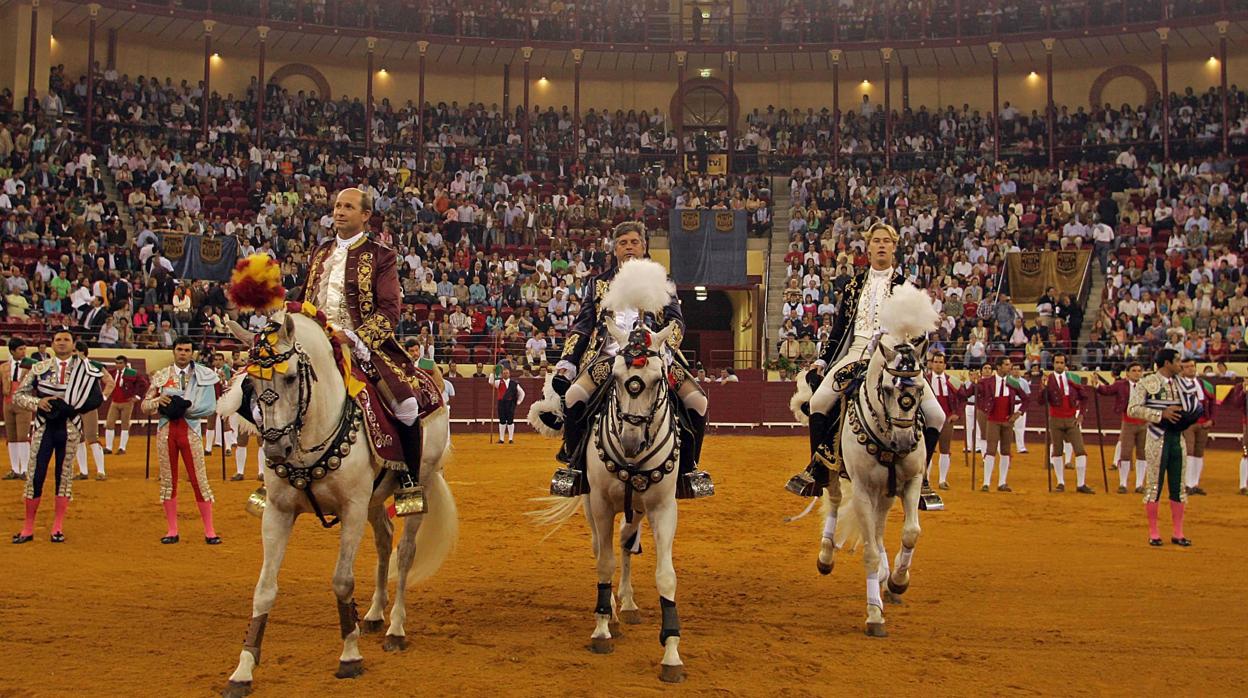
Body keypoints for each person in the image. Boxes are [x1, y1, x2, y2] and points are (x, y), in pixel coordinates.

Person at [547, 221, 712, 499]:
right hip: (609, 359)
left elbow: (676, 323)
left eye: (634, 242)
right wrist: (568, 360)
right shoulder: (597, 284)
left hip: (656, 359)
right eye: (623, 243)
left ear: (644, 246)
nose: (629, 248)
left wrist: (665, 350)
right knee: (574, 396)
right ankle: (574, 469)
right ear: (614, 249)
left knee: (699, 402)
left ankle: (688, 471)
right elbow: (583, 325)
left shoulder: (663, 282)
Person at [290, 187, 428, 509]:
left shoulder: (382, 256)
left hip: (363, 346)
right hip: (314, 344)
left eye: (348, 207)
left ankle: (409, 481)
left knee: (406, 406)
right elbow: (309, 299)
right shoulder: (320, 252)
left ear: (365, 215)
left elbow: (390, 310)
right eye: (337, 205)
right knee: (267, 390)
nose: (339, 211)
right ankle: (274, 475)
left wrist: (354, 338)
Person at [788, 223, 945, 497]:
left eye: (886, 241)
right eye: (876, 241)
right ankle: (818, 469)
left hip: (893, 356)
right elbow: (839, 329)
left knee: (937, 415)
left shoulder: (906, 288)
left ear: (894, 247)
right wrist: (823, 362)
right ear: (868, 247)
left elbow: (919, 332)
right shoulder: (853, 285)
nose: (881, 245)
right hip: (856, 353)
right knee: (817, 402)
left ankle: (923, 479)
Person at [11, 329, 105, 544]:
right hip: (44, 427)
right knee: (35, 475)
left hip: (70, 427)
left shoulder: (85, 369)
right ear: (52, 344)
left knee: (63, 478)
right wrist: (38, 403)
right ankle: (27, 527)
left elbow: (96, 398)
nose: (62, 343)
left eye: (66, 340)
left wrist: (74, 409)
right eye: (58, 340)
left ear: (73, 344)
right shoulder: (39, 368)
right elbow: (19, 395)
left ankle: (57, 527)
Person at [141, 336, 222, 545]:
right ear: (173, 351)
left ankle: (210, 531)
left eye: (187, 350)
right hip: (167, 431)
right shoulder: (161, 376)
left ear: (192, 352)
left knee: (199, 480)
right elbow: (145, 406)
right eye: (180, 349)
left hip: (191, 430)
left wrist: (185, 407)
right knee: (168, 481)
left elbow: (211, 407)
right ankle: (172, 530)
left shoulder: (203, 375)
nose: (183, 353)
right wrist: (160, 401)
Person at [1128, 349, 1200, 547]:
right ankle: (1154, 533)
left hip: (1178, 439)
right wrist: (1161, 413)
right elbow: (1132, 409)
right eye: (1177, 361)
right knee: (1154, 487)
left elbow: (1194, 405)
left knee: (1178, 486)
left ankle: (1178, 533)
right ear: (1167, 363)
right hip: (1156, 438)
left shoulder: (1183, 383)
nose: (1181, 365)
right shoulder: (1147, 382)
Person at [1041, 353, 1094, 493]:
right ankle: (1060, 482)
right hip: (1055, 419)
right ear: (1053, 364)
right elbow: (1041, 401)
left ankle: (1081, 484)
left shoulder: (1072, 379)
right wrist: (1044, 388)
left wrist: (1081, 414)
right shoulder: (1048, 379)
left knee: (1080, 451)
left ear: (1065, 364)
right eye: (1057, 362)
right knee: (1057, 451)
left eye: (1062, 362)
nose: (1059, 365)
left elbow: (1085, 397)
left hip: (1071, 419)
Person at [1094, 363, 1147, 494]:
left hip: (1145, 423)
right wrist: (1096, 386)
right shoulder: (1121, 385)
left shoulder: (1147, 386)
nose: (1137, 373)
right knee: (1125, 453)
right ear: (1127, 373)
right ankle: (1123, 483)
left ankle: (1139, 484)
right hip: (1128, 422)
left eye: (1139, 371)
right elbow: (1107, 390)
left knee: (1142, 454)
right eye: (1134, 371)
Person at [975, 356, 1025, 492]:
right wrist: (973, 383)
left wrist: (1018, 413)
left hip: (1007, 421)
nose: (1009, 367)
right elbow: (972, 392)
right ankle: (986, 483)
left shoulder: (1012, 382)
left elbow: (1026, 399)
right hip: (993, 420)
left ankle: (1002, 482)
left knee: (1005, 451)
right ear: (999, 367)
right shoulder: (987, 382)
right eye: (1007, 365)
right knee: (991, 451)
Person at [73, 342, 114, 480]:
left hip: (88, 406)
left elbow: (110, 382)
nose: (72, 354)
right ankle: (83, 472)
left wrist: (102, 397)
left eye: (75, 351)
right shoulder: (68, 366)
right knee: (78, 439)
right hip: (72, 407)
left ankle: (101, 471)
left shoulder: (94, 365)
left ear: (82, 352)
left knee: (92, 438)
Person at [924, 351, 962, 490]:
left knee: (945, 450)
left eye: (941, 362)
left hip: (946, 419)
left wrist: (957, 413)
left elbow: (963, 397)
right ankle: (925, 479)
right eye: (936, 362)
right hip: (928, 420)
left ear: (945, 365)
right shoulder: (925, 380)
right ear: (931, 364)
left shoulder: (952, 381)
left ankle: (942, 480)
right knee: (927, 450)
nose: (938, 365)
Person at [1178, 358, 1213, 497]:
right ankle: (1187, 484)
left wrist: (1212, 419)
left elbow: (1212, 403)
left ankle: (1194, 483)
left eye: (1192, 366)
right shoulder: (1179, 386)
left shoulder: (1205, 384)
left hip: (1203, 423)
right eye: (1186, 367)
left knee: (1199, 452)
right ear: (1182, 370)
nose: (1190, 369)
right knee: (1189, 451)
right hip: (1188, 423)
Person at [227, 354, 264, 482]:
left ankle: (261, 472)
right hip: (245, 411)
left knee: (261, 442)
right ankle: (240, 471)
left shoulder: (265, 372)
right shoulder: (241, 373)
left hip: (260, 410)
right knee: (242, 441)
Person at [104, 356, 149, 455]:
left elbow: (144, 384)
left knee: (125, 425)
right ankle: (108, 447)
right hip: (115, 402)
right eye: (116, 363)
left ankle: (122, 448)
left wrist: (137, 396)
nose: (118, 365)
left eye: (120, 363)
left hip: (127, 402)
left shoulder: (132, 373)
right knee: (109, 423)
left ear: (125, 364)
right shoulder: (112, 372)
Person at [2, 337, 33, 480]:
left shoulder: (32, 366)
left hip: (23, 403)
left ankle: (25, 470)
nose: (24, 352)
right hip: (7, 403)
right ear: (12, 351)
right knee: (12, 438)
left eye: (24, 349)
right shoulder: (4, 367)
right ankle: (15, 469)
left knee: (22, 437)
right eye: (20, 349)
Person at [489, 367, 526, 444]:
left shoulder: (514, 383)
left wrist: (518, 402)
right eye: (504, 373)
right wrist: (493, 372)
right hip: (501, 403)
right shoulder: (499, 382)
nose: (505, 374)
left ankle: (510, 439)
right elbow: (491, 381)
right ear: (502, 374)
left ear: (509, 374)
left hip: (510, 403)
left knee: (510, 420)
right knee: (502, 420)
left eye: (507, 373)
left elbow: (522, 393)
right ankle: (501, 439)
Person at [1012, 364, 1031, 455]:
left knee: (1020, 427)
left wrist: (1023, 408)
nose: (1016, 371)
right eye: (1014, 369)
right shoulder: (1007, 380)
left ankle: (1021, 447)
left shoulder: (1024, 382)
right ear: (1011, 370)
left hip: (1020, 404)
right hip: (1009, 405)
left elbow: (1027, 396)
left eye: (1017, 369)